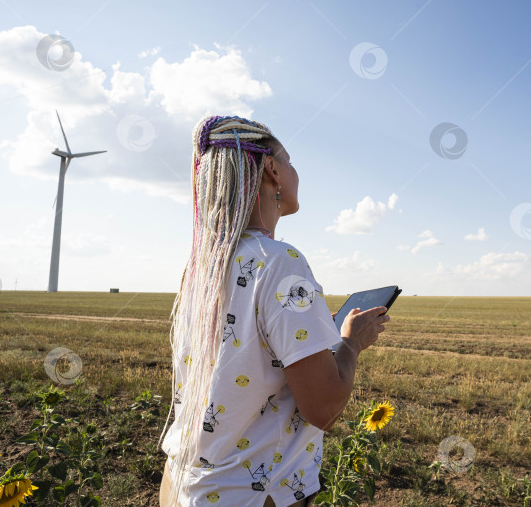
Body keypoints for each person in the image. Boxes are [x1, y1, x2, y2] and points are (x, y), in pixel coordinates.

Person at [157, 115, 389, 507]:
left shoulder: (201, 267)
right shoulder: (280, 262)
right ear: (272, 171)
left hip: (184, 486)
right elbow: (324, 409)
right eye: (291, 161)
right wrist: (349, 343)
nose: (297, 172)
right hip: (249, 496)